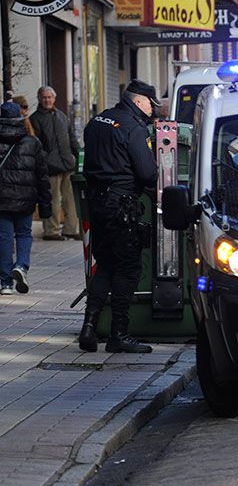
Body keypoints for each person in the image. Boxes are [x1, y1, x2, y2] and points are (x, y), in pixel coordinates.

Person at [77, 80, 159, 354]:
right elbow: (148, 174)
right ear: (138, 101)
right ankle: (118, 334)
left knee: (106, 264)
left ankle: (89, 327)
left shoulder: (97, 121)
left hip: (97, 203)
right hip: (122, 205)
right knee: (128, 267)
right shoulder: (133, 128)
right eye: (150, 104)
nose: (152, 110)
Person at [0, 101, 51, 295]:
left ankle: (5, 283)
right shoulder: (32, 142)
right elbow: (42, 177)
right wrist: (46, 205)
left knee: (4, 238)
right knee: (23, 234)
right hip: (26, 199)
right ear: (20, 119)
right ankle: (21, 266)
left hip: (2, 199)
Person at [29, 86, 81, 241]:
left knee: (70, 200)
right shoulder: (35, 118)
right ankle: (51, 231)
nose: (47, 100)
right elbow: (36, 145)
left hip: (67, 164)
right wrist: (46, 160)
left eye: (49, 97)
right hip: (50, 167)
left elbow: (72, 138)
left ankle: (71, 229)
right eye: (44, 97)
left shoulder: (62, 116)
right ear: (39, 99)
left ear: (54, 98)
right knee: (52, 199)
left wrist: (78, 156)